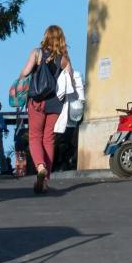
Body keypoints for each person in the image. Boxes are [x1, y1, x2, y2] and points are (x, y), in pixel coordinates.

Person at [15, 25, 83, 194]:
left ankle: (40, 168)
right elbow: (72, 80)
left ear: (45, 36)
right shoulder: (64, 58)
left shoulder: (37, 53)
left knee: (35, 137)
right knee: (49, 140)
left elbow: (24, 73)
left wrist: (20, 82)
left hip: (37, 101)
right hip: (55, 104)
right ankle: (45, 182)